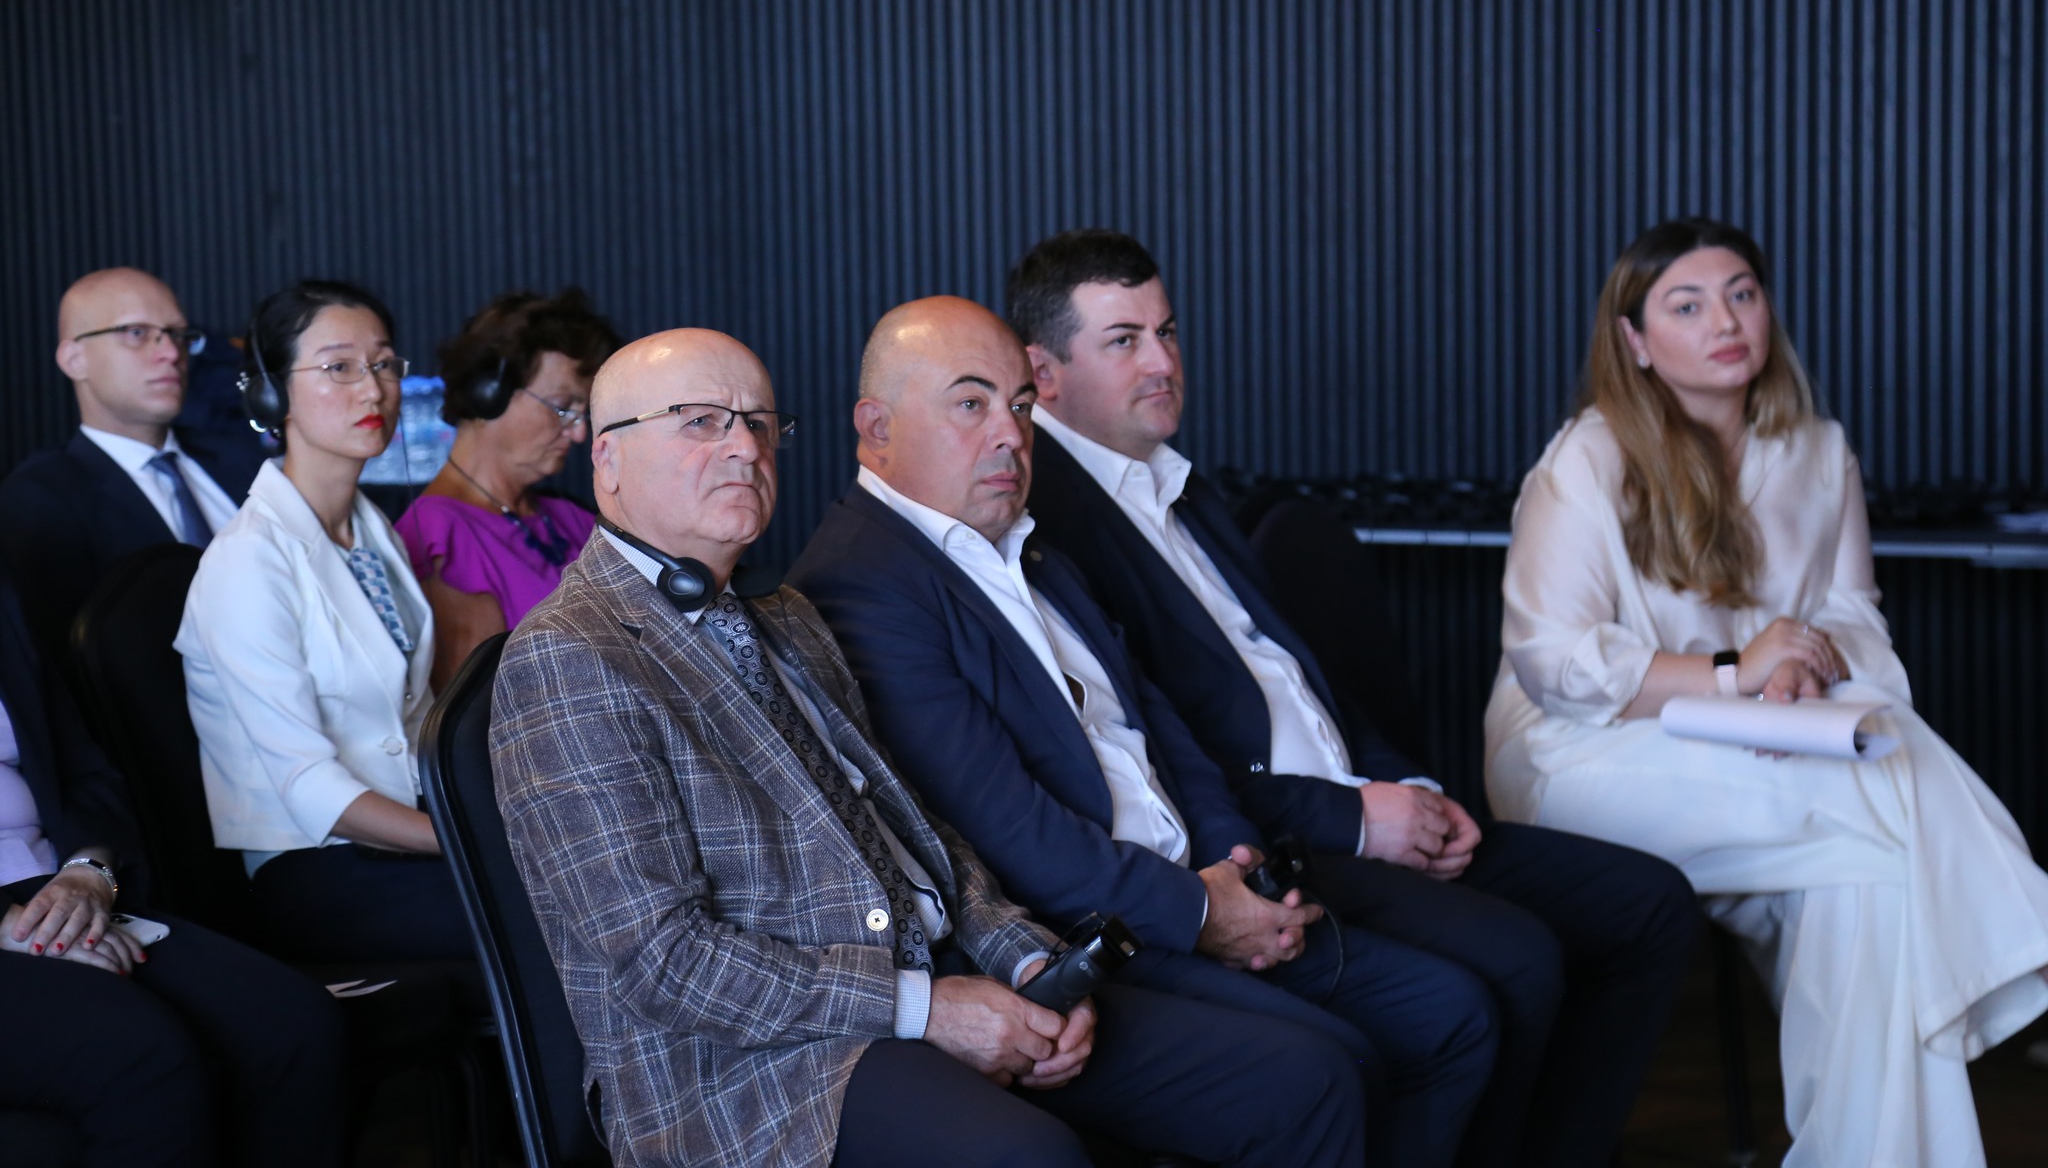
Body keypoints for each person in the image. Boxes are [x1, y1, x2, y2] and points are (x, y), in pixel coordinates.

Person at [491, 327, 1368, 1168]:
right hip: (757, 1070)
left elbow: (920, 833)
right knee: (1029, 1157)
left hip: (941, 976)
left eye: (760, 422)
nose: (745, 448)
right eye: (701, 421)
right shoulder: (569, 655)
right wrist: (926, 1009)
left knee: (1306, 1081)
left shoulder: (786, 615)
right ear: (607, 457)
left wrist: (1027, 957)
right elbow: (666, 963)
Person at [1007, 229, 1700, 1167]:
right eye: (1124, 341)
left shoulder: (1177, 481)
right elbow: (1175, 754)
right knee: (1514, 963)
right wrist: (1361, 818)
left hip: (1362, 798)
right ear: (1044, 374)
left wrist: (1410, 786)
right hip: (1284, 834)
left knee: (1649, 905)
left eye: (1166, 331)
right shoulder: (1049, 523)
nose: (1164, 362)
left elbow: (1306, 685)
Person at [786, 297, 1494, 1168]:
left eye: (1019, 404)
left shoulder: (1033, 548)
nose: (1010, 434)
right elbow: (1010, 831)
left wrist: (1236, 867)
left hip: (1194, 885)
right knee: (1331, 1067)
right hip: (1091, 929)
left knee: (1451, 1013)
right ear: (876, 426)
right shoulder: (861, 583)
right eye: (970, 403)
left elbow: (1163, 731)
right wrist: (1202, 912)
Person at [1483, 216, 2048, 1168]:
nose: (1725, 321)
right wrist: (1737, 670)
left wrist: (1802, 668)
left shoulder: (1819, 453)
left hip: (1772, 748)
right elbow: (1555, 661)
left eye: (1742, 293)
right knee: (1883, 786)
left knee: (1865, 883)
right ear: (1634, 340)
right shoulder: (1590, 455)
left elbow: (1854, 618)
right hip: (1585, 756)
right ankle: (2020, 926)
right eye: (1687, 305)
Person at [0, 555, 345, 1167]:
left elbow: (82, 769)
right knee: (138, 1055)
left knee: (292, 1023)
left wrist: (88, 872)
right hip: (12, 920)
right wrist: (13, 927)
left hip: (52, 886)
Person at [176, 280, 467, 965]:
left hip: (414, 836)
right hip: (320, 867)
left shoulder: (373, 532)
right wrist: (469, 840)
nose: (374, 390)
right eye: (339, 366)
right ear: (271, 395)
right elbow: (310, 788)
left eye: (384, 363)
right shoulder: (247, 561)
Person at [0, 268, 264, 659]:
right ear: (75, 359)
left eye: (178, 334)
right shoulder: (40, 497)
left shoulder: (242, 459)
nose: (171, 353)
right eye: (136, 333)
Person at [396, 288, 620, 687]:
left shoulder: (572, 518)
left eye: (583, 413)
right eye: (562, 407)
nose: (579, 433)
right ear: (489, 393)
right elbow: (477, 711)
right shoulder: (438, 536)